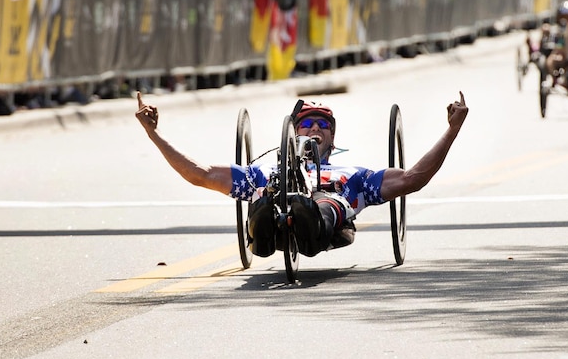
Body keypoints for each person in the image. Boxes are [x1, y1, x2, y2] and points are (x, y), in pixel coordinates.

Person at [135, 92, 469, 258]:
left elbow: (413, 178)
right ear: (293, 133)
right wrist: (153, 134)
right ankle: (265, 229)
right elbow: (199, 174)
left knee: (326, 203)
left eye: (322, 125)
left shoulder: (354, 174)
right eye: (306, 124)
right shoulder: (262, 169)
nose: (314, 129)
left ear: (332, 137)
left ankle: (309, 222)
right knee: (265, 195)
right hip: (273, 203)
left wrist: (452, 131)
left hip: (326, 212)